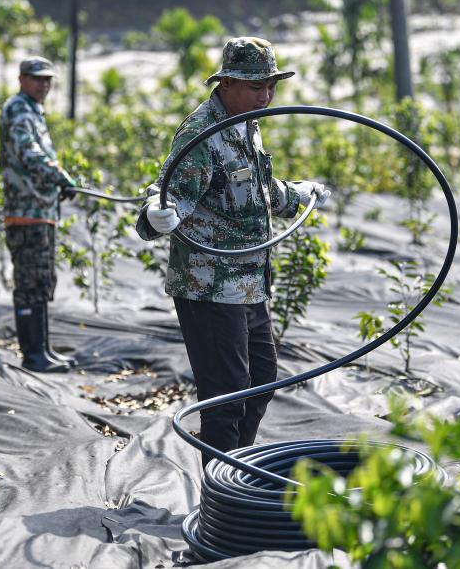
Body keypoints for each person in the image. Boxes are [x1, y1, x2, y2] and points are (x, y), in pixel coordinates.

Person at [136, 37, 330, 467]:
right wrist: (156, 214)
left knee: (261, 378)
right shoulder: (201, 133)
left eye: (271, 86)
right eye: (256, 86)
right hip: (210, 287)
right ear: (226, 83)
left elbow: (252, 189)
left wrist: (297, 194)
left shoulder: (247, 124)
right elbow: (170, 194)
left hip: (248, 282)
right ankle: (222, 502)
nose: (266, 95)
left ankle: (233, 471)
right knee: (226, 397)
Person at [0, 56, 82, 374]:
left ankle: (43, 350)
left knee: (42, 280)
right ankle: (33, 355)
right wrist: (59, 176)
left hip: (40, 210)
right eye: (36, 79)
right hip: (26, 211)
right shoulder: (19, 108)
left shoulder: (32, 109)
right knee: (31, 282)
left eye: (47, 79)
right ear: (21, 79)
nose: (43, 84)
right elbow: (28, 151)